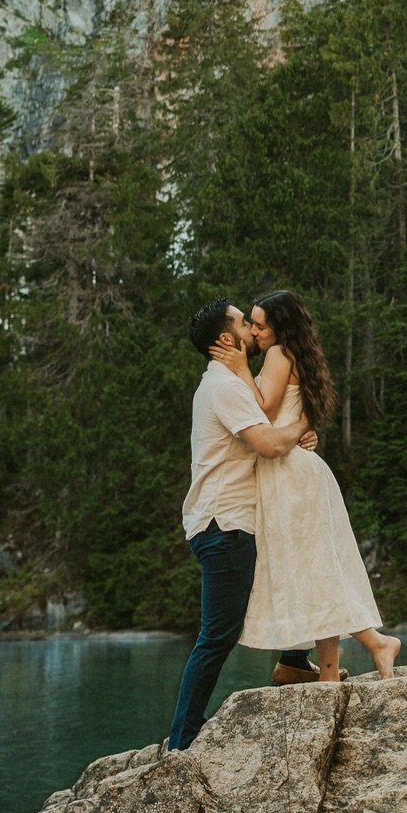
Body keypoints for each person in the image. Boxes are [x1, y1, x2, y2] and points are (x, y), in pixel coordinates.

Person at [213, 289, 399, 683]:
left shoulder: (279, 354)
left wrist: (241, 368)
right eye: (252, 323)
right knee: (316, 571)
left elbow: (263, 409)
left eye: (261, 325)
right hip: (294, 473)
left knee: (314, 572)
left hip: (290, 476)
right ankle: (330, 671)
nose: (254, 332)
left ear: (280, 328)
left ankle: (375, 643)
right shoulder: (292, 354)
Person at [166, 298, 322, 751]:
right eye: (242, 324)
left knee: (285, 574)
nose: (253, 331)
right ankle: (183, 738)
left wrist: (297, 432)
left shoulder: (229, 383)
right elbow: (269, 444)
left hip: (233, 520)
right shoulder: (223, 388)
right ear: (225, 338)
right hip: (224, 523)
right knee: (217, 634)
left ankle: (294, 660)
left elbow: (268, 422)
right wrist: (302, 423)